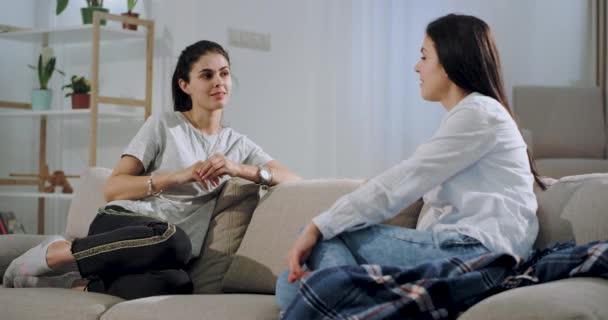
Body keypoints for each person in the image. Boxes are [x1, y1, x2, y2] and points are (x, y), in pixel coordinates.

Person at [276, 13, 546, 310]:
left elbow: (402, 181)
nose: (416, 67)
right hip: (465, 248)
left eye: (424, 56)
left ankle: (350, 304)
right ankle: (356, 303)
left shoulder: (479, 113)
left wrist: (318, 225)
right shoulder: (473, 116)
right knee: (290, 283)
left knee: (313, 245)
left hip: (479, 253)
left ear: (449, 60)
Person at [3, 40, 300, 300]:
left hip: (163, 253)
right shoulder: (164, 125)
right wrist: (180, 175)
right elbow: (113, 187)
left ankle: (76, 286)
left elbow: (293, 179)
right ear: (185, 85)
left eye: (224, 73)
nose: (219, 81)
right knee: (175, 240)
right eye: (207, 75)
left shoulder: (238, 145)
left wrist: (241, 169)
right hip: (124, 222)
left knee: (178, 282)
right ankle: (54, 254)